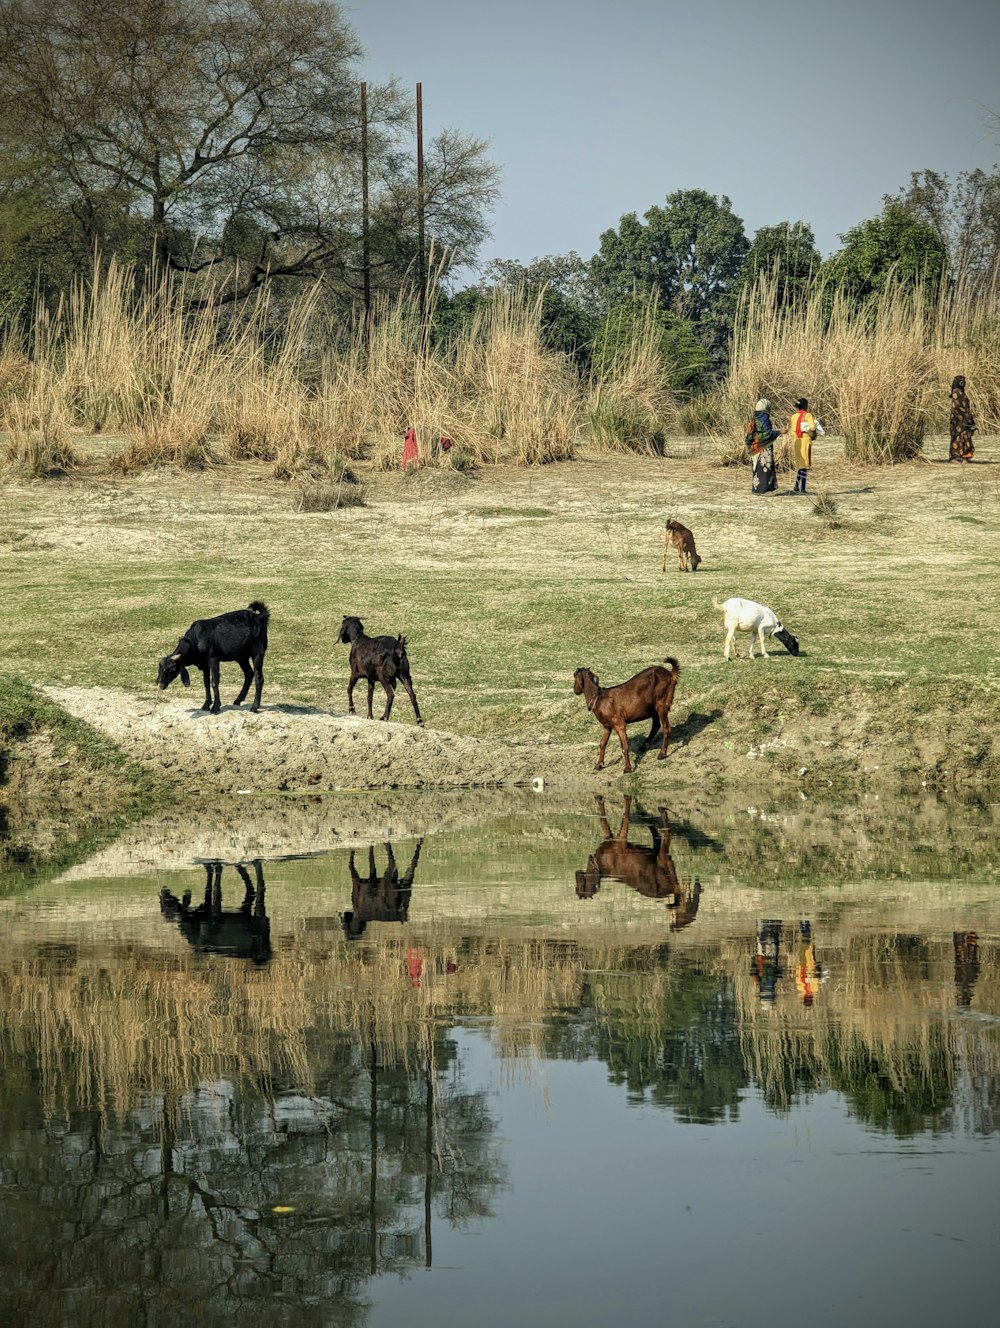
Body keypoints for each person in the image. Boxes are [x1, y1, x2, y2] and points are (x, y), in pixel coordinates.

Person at [788, 397, 825, 494]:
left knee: (800, 465)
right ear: (805, 406)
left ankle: (796, 485)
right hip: (805, 441)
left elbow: (792, 430)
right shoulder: (808, 415)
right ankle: (803, 488)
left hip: (797, 442)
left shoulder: (793, 416)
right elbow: (812, 427)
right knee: (805, 465)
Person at [745, 398, 781, 494]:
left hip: (755, 447)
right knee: (765, 468)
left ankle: (757, 489)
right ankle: (764, 489)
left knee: (757, 468)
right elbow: (766, 434)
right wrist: (780, 432)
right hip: (764, 447)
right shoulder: (764, 418)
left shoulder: (754, 418)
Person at [949, 375, 976, 463]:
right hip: (958, 419)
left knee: (965, 436)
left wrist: (969, 417)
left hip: (965, 419)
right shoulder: (956, 392)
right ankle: (955, 457)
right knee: (958, 436)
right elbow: (957, 406)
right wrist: (966, 414)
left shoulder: (962, 392)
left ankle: (965, 456)